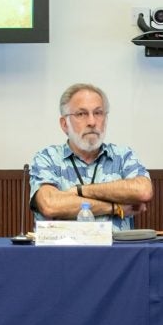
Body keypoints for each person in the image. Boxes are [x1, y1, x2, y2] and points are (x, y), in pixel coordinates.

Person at [30, 83, 153, 231]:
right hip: (63, 253)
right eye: (81, 114)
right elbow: (50, 204)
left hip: (116, 253)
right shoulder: (48, 158)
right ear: (64, 124)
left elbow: (143, 191)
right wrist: (114, 207)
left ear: (105, 120)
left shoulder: (123, 156)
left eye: (98, 113)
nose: (92, 122)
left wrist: (80, 190)